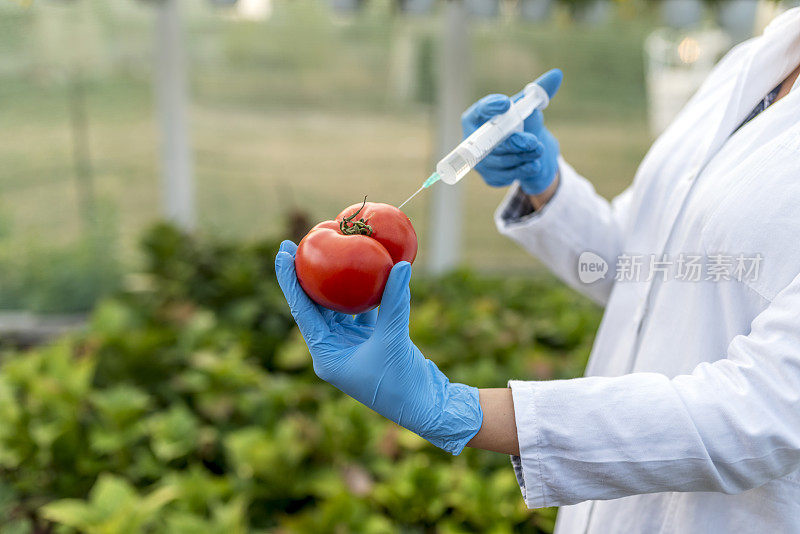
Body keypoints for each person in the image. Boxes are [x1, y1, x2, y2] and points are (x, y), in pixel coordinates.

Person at [275, 9, 800, 533]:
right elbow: (651, 271)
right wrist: (545, 184)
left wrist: (467, 411)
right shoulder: (753, 61)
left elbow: (765, 415)